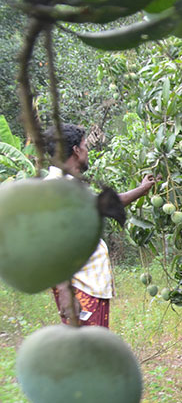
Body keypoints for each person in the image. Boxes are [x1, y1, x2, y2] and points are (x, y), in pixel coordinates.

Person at [45, 123, 156, 327]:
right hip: (79, 289)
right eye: (85, 146)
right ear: (76, 151)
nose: (87, 152)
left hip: (87, 287)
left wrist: (141, 190)